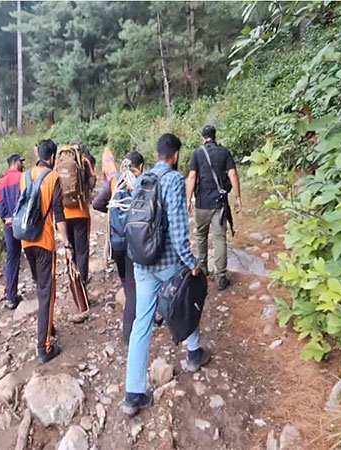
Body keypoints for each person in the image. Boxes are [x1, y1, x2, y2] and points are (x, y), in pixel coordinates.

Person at [123, 134, 209, 417]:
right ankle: (194, 353)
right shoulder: (174, 180)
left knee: (141, 324)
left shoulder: (142, 180)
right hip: (169, 262)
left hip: (142, 263)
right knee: (187, 297)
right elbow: (178, 231)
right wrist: (192, 262)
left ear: (157, 153)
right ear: (174, 156)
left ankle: (133, 394)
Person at [20, 140, 74, 364]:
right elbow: (59, 214)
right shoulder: (53, 178)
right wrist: (67, 244)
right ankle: (44, 346)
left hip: (25, 239)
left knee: (39, 286)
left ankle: (47, 326)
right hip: (44, 241)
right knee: (46, 291)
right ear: (52, 158)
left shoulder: (25, 176)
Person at [92, 150, 144, 344]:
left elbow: (97, 203)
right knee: (133, 290)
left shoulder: (115, 180)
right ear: (140, 167)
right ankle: (129, 336)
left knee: (126, 280)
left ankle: (136, 310)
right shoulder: (139, 181)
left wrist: (113, 209)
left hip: (116, 242)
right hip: (132, 241)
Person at [186, 125, 242, 291]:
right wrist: (238, 197)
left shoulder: (197, 153)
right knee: (219, 239)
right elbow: (232, 174)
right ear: (214, 136)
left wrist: (189, 199)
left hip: (202, 203)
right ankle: (221, 277)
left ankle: (203, 269)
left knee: (201, 236)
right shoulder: (224, 152)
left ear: (203, 137)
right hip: (219, 204)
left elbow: (192, 176)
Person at [62, 143, 96, 284]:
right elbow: (92, 181)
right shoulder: (84, 161)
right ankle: (82, 282)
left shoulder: (61, 164)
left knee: (70, 248)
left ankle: (73, 282)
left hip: (64, 215)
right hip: (81, 212)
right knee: (82, 251)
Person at [0, 153, 25, 309]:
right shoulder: (22, 177)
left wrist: (7, 218)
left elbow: (0, 204)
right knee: (33, 252)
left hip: (8, 225)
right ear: (14, 162)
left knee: (12, 259)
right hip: (24, 223)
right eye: (20, 161)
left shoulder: (0, 183)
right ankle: (40, 285)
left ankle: (12, 297)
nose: (22, 164)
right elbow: (26, 199)